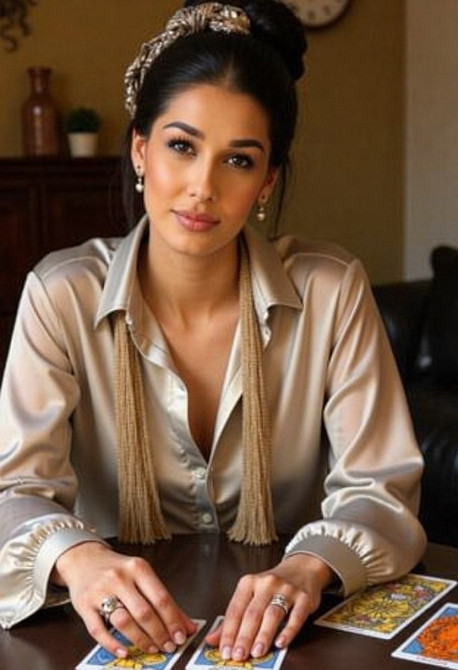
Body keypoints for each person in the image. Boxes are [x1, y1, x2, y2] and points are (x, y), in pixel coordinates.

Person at [0, 0, 426, 663]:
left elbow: (382, 490)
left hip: (287, 638)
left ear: (267, 180)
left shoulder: (331, 289)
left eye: (239, 160)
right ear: (140, 149)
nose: (202, 186)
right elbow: (14, 491)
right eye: (182, 146)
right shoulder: (60, 294)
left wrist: (308, 567)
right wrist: (79, 559)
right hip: (111, 632)